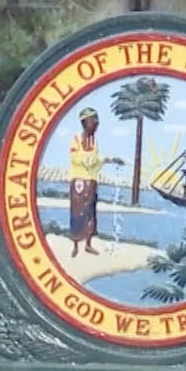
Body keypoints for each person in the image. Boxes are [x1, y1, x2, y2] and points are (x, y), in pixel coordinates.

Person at [67, 107, 125, 258]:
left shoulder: (94, 141)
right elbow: (75, 158)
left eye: (97, 120)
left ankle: (88, 244)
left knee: (90, 213)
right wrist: (88, 160)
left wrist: (110, 160)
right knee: (77, 213)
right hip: (79, 180)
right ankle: (75, 244)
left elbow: (96, 161)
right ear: (85, 122)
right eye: (94, 120)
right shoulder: (76, 139)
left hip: (91, 181)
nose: (96, 123)